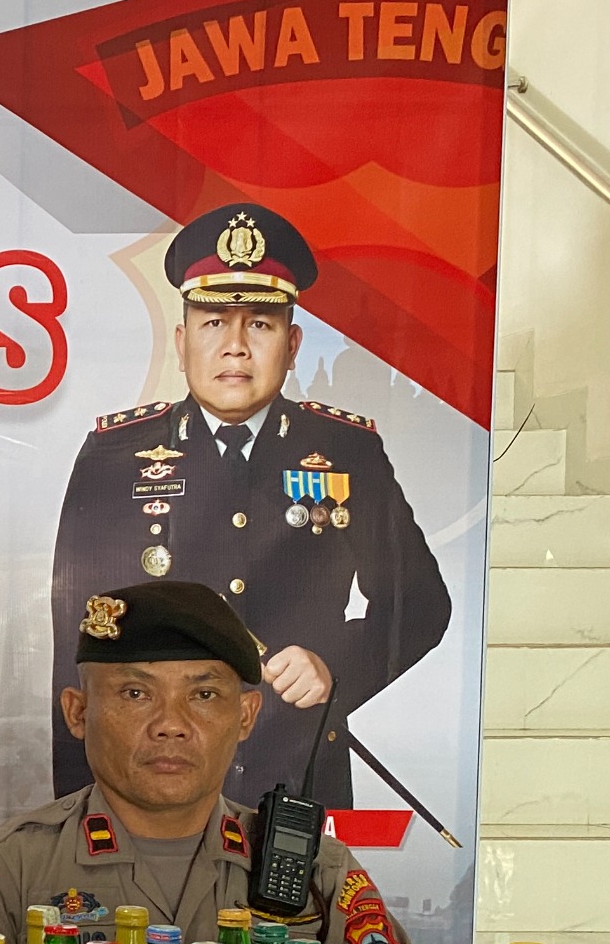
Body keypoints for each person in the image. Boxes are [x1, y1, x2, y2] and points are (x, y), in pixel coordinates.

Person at [49, 202, 450, 808]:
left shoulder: (346, 452)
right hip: (151, 777)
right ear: (182, 342)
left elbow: (420, 604)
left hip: (296, 774)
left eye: (259, 324)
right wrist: (79, 808)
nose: (235, 348)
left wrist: (334, 666)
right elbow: (78, 642)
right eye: (213, 323)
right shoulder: (114, 456)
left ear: (293, 344)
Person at [0, 578, 409, 944]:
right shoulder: (8, 873)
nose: (171, 725)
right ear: (78, 712)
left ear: (246, 716)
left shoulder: (319, 872)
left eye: (203, 694)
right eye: (135, 693)